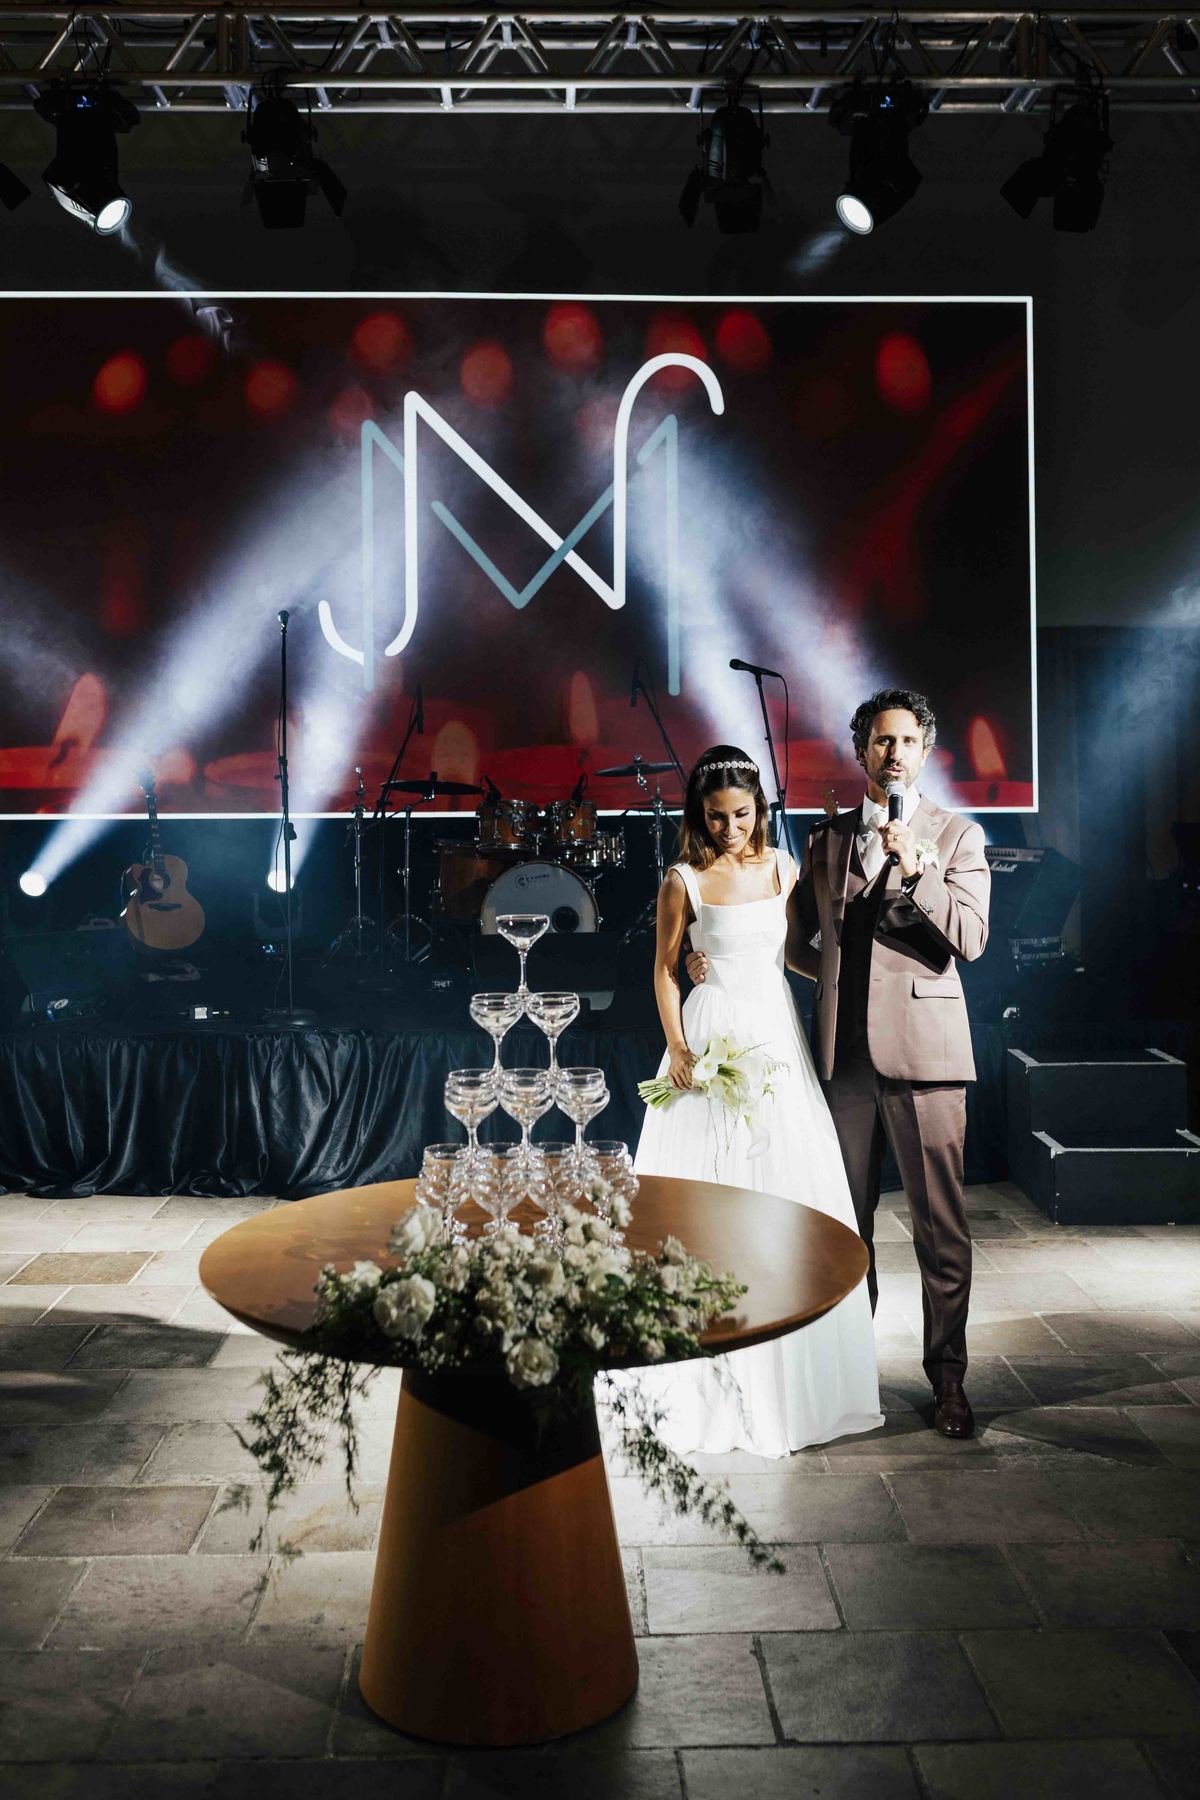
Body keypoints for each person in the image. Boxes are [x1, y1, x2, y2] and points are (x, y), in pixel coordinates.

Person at [633, 744, 882, 1457]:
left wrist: (850, 975)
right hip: (710, 1035)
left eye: (741, 814)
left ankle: (787, 1381)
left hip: (774, 1038)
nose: (730, 828)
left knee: (786, 1191)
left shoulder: (783, 869)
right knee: (707, 1198)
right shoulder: (682, 879)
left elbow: (795, 951)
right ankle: (704, 1375)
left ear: (759, 811)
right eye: (716, 817)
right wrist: (679, 1047)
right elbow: (665, 970)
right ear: (699, 816)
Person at [783, 688, 989, 1438]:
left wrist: (916, 866)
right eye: (880, 740)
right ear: (860, 750)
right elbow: (797, 945)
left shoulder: (957, 835)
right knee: (846, 1226)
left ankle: (949, 1380)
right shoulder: (827, 839)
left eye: (906, 741)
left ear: (925, 752)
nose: (892, 752)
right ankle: (849, 1373)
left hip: (927, 1056)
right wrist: (839, 986)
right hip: (845, 1062)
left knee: (939, 1228)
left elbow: (970, 939)